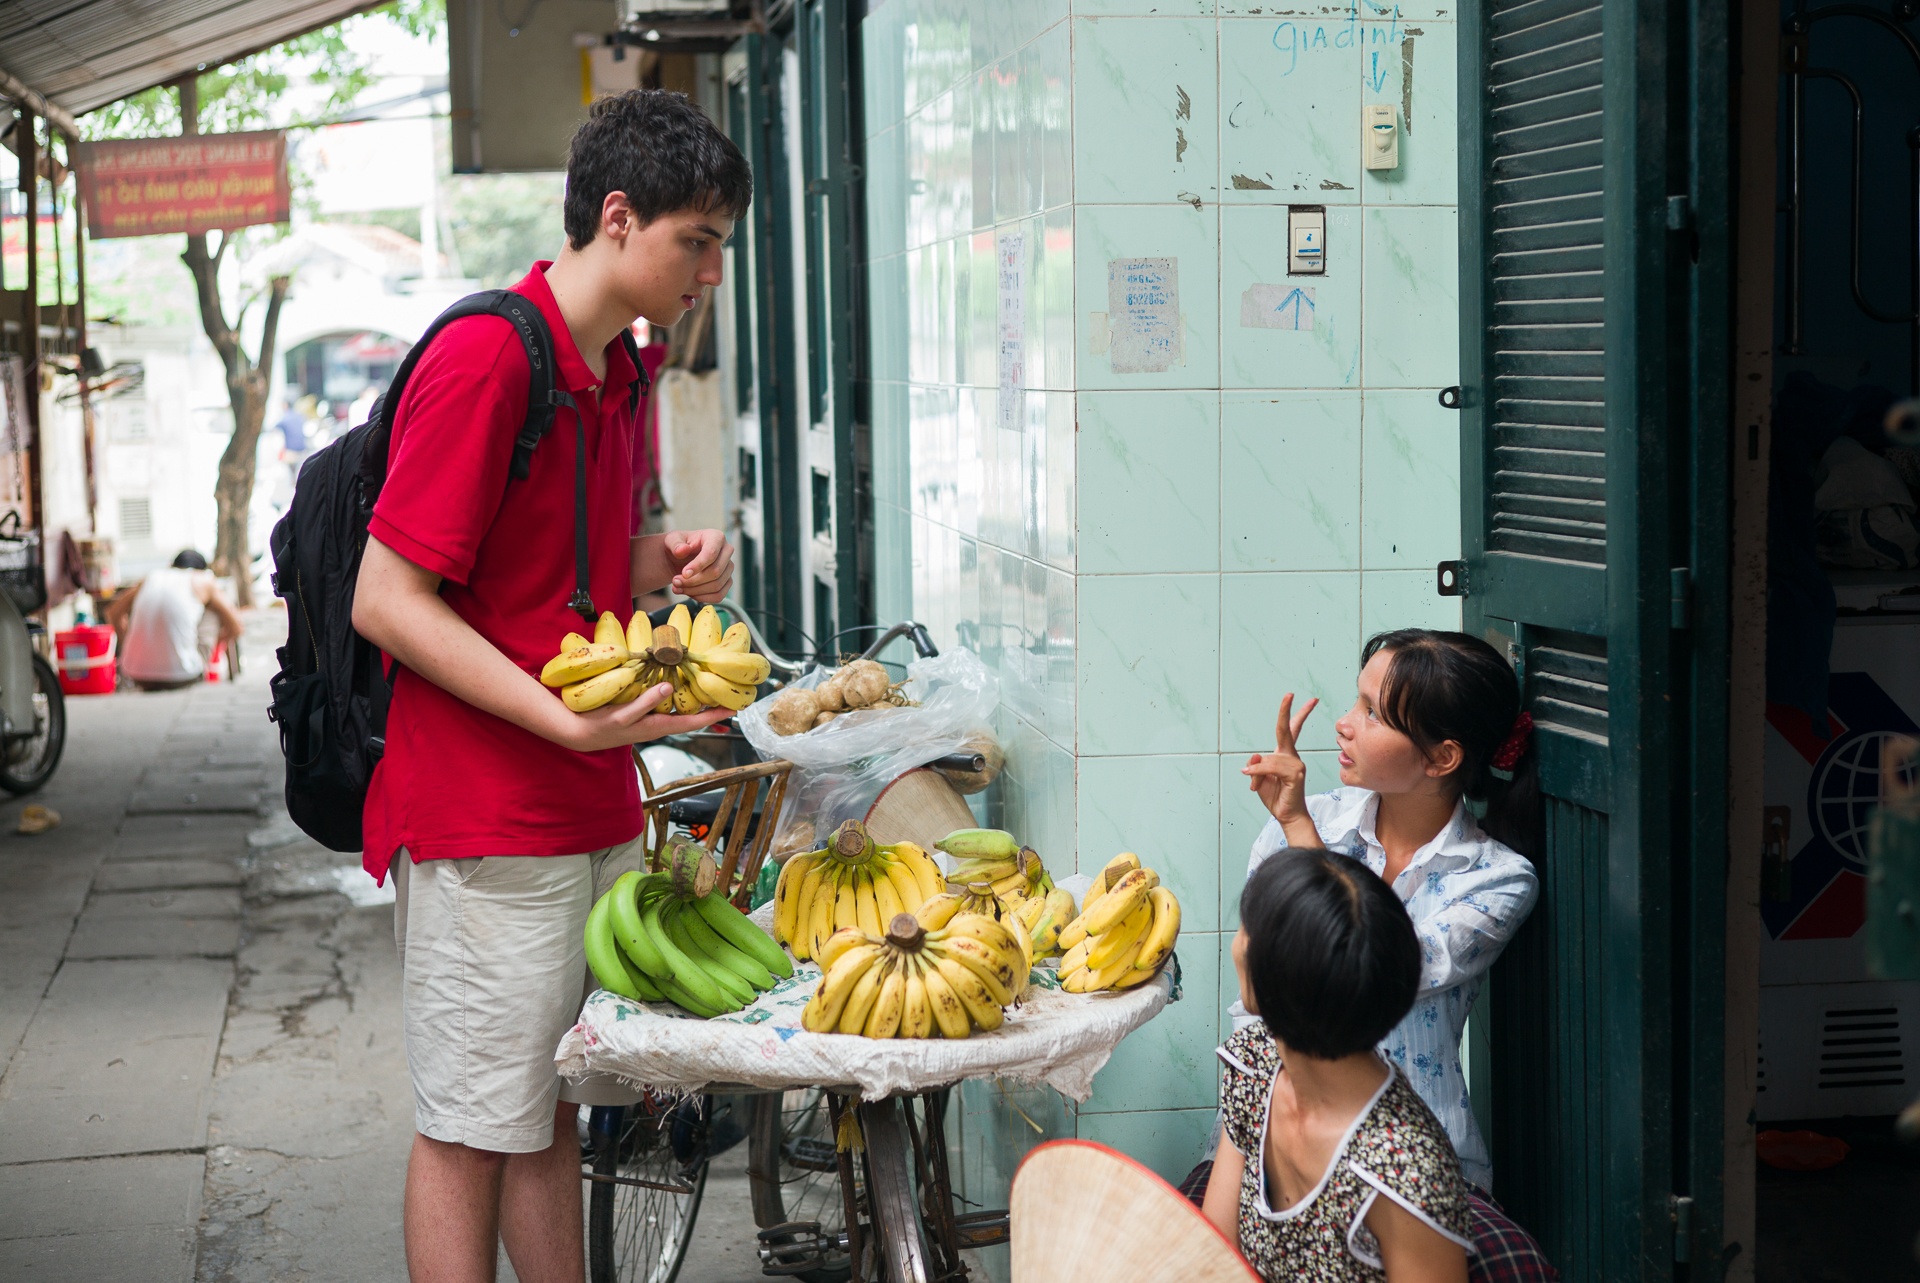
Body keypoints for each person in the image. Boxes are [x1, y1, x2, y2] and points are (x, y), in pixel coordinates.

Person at [348, 89, 752, 1283]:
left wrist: (666, 565)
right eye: (700, 240)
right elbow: (390, 596)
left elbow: (570, 577)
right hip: (485, 811)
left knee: (554, 1111)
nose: (712, 273)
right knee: (472, 1127)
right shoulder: (487, 357)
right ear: (617, 218)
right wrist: (566, 721)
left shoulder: (621, 370)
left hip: (584, 802)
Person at [1237, 629, 1542, 1193]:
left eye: (1373, 713)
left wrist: (1298, 830)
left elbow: (1359, 970)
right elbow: (1256, 995)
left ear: (1442, 757)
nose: (1344, 722)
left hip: (1414, 1166)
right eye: (1357, 700)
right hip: (1283, 1142)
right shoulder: (1310, 820)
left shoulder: (1497, 880)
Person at [1202, 847, 1475, 1280]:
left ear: (1277, 977)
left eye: (1246, 929)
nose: (1237, 943)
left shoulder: (1404, 1169)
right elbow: (1216, 1257)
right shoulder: (1254, 1063)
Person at [104, 550, 242, 691]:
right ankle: (192, 660)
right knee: (213, 610)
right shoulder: (203, 580)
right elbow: (236, 626)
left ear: (171, 566)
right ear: (202, 570)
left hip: (137, 675)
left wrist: (128, 641)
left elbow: (113, 612)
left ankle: (143, 657)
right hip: (183, 675)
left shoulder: (152, 577)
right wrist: (217, 643)